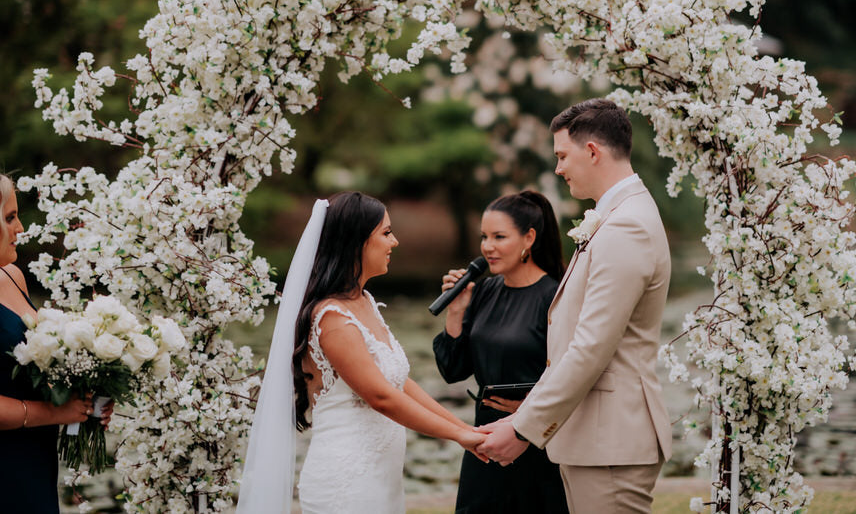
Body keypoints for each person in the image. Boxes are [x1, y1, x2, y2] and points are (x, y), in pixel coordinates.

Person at [477, 98, 672, 513]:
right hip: (595, 439)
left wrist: (523, 428)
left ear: (593, 151)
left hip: (611, 443)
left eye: (563, 156)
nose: (558, 168)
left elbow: (591, 346)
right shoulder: (617, 216)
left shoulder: (627, 226)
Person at [237, 191, 487, 514]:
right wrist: (458, 436)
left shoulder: (364, 301)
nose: (394, 241)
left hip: (381, 478)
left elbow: (400, 383)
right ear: (356, 242)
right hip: (348, 481)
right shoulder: (332, 318)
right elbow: (380, 396)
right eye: (385, 232)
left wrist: (467, 429)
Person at [433, 190, 569, 514]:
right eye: (484, 237)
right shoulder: (485, 291)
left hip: (536, 443)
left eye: (499, 236)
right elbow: (453, 370)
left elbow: (571, 373)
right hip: (485, 439)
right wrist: (456, 312)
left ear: (529, 238)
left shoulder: (556, 298)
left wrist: (529, 411)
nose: (487, 247)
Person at [0, 173, 101, 513]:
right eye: (10, 218)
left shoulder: (12, 277)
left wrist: (87, 398)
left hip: (34, 458)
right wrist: (55, 412)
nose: (21, 229)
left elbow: (30, 367)